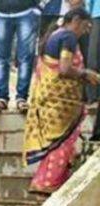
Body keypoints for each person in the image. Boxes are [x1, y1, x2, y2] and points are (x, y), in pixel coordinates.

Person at [25, 8, 99, 194]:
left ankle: (46, 179)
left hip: (49, 98)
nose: (84, 31)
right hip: (60, 102)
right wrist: (85, 74)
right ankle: (48, 181)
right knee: (63, 140)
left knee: (58, 141)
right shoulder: (68, 37)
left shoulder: (55, 34)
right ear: (75, 20)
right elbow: (65, 69)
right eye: (84, 26)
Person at [0, 0, 45, 111]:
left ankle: (22, 98)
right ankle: (1, 98)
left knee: (25, 58)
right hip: (0, 12)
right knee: (0, 59)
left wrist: (40, 6)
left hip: (27, 11)